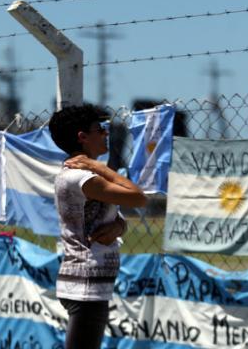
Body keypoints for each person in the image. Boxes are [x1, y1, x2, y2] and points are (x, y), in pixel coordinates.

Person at [49, 104, 147, 349]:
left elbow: (109, 216)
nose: (105, 133)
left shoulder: (82, 177)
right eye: (100, 129)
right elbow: (138, 197)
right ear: (82, 137)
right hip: (86, 284)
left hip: (88, 282)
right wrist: (101, 167)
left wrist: (119, 228)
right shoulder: (83, 177)